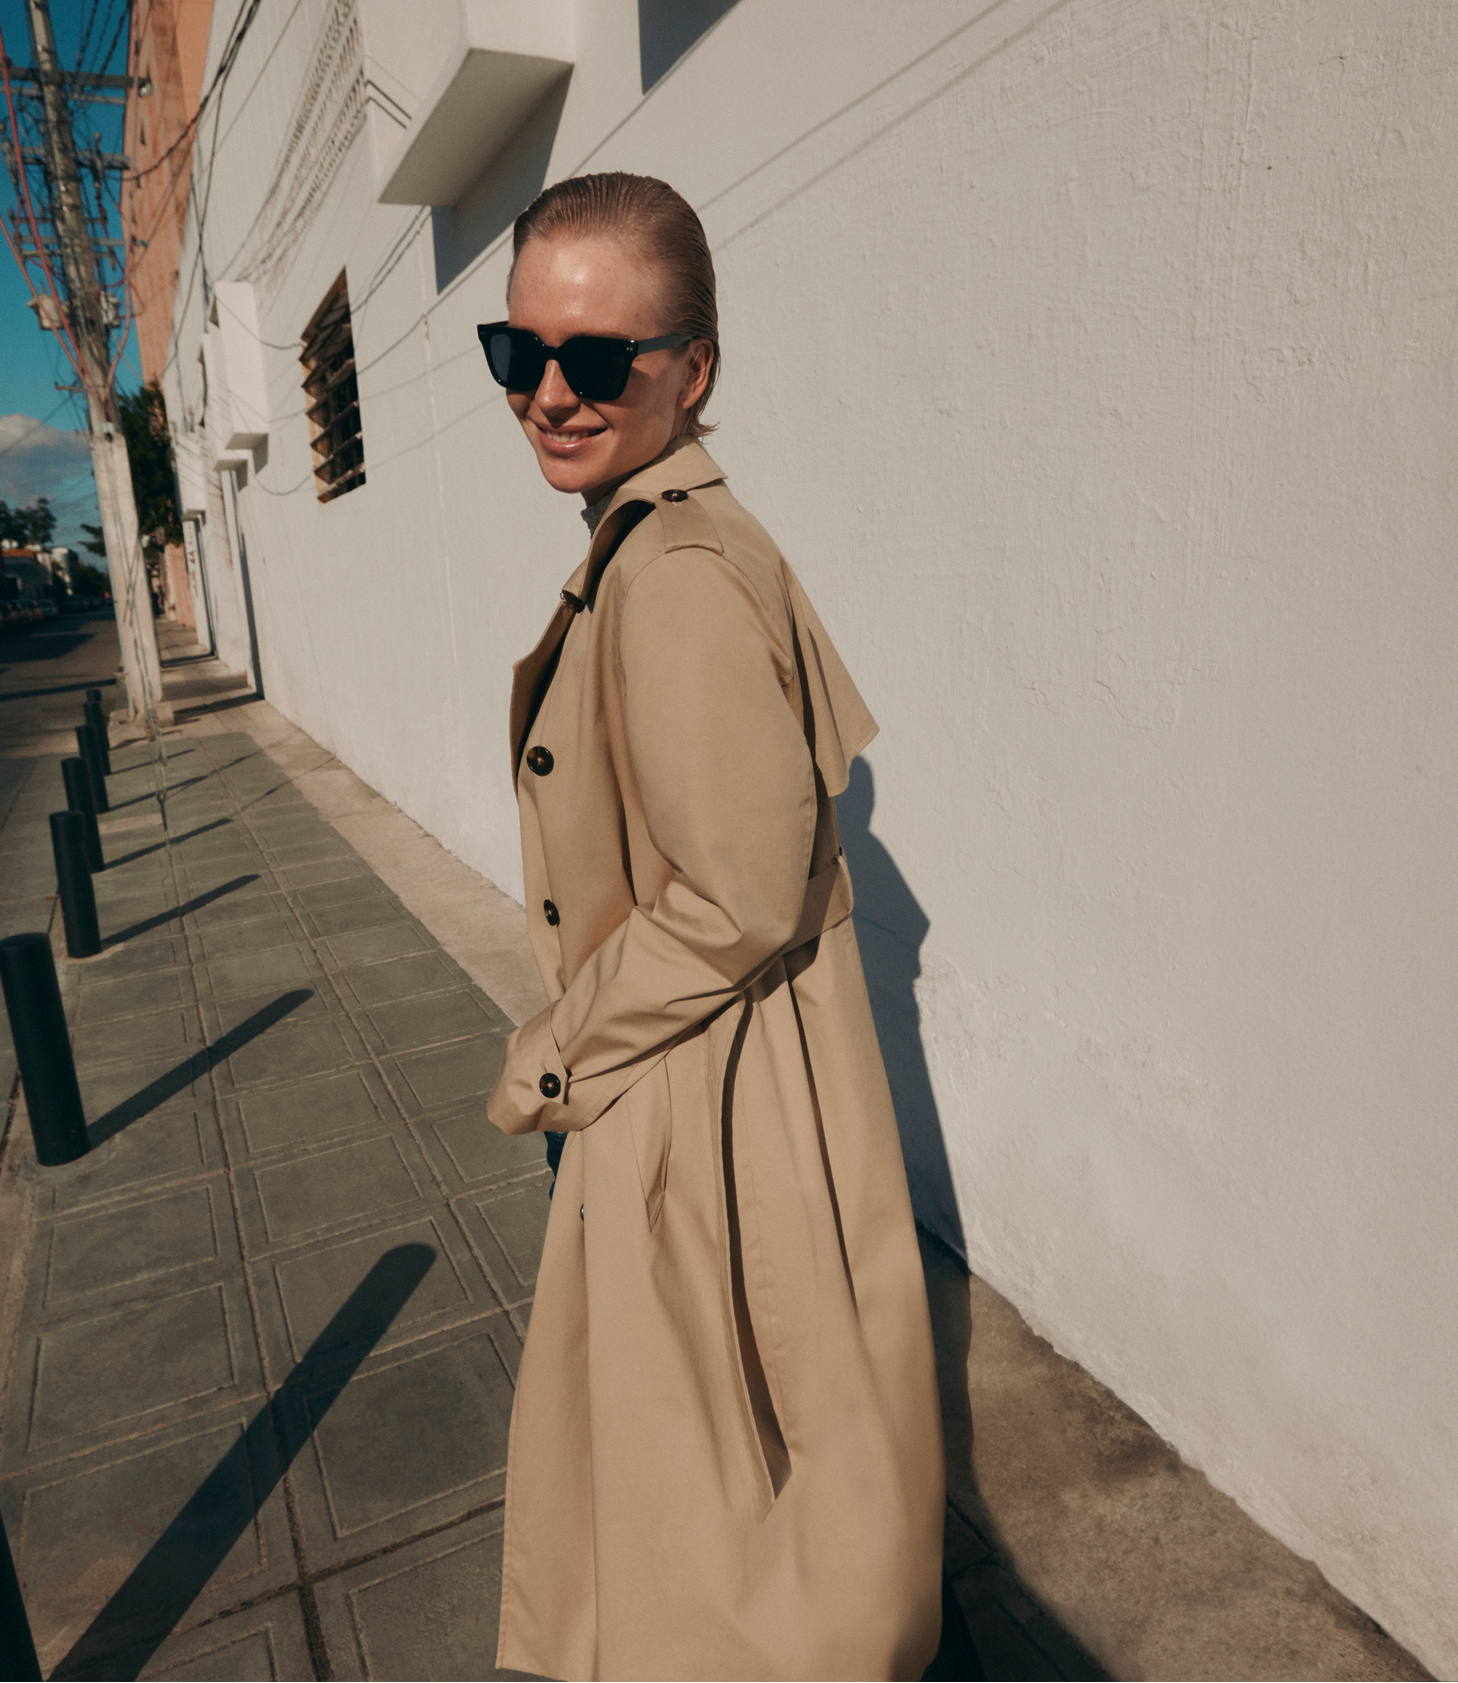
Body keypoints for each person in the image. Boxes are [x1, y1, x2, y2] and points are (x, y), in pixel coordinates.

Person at [481, 172, 944, 1681]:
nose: (552, 394)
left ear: (693, 367)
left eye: (598, 359)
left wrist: (555, 1050)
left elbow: (737, 896)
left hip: (703, 1093)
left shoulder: (669, 573)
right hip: (714, 1072)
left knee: (723, 1528)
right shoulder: (665, 535)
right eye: (520, 352)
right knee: (762, 1496)